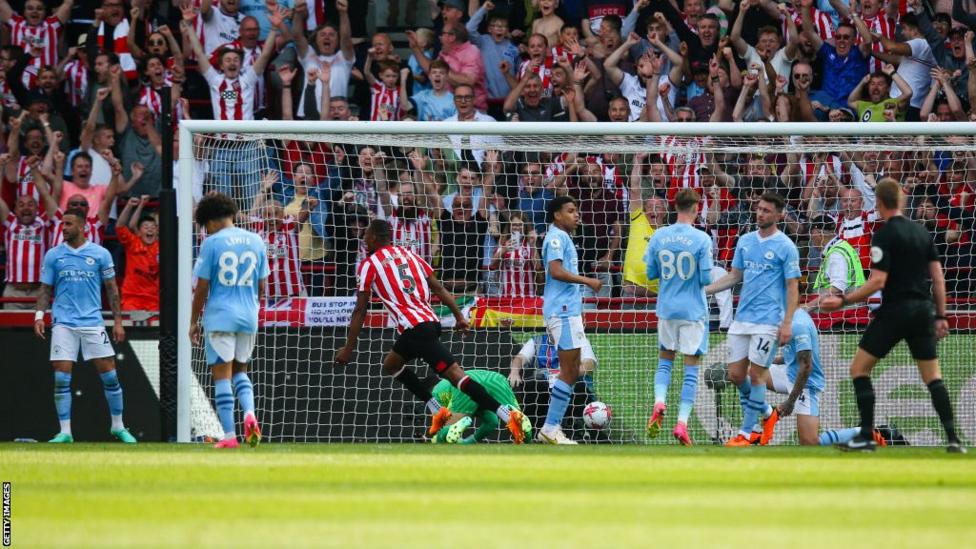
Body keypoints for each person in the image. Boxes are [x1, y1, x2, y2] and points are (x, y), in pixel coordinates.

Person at [334, 219, 530, 443]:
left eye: (366, 234)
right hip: (429, 324)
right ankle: (440, 412)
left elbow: (360, 309)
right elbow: (438, 288)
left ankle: (508, 416)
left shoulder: (369, 264)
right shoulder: (410, 255)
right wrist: (458, 317)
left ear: (375, 237)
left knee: (457, 376)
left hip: (415, 328)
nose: (363, 238)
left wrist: (348, 348)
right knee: (392, 365)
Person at [820, 178, 965, 453]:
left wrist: (843, 300)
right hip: (923, 311)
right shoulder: (922, 233)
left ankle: (865, 436)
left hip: (896, 311)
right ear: (900, 201)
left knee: (859, 369)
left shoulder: (883, 236)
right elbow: (938, 277)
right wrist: (941, 316)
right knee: (933, 377)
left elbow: (877, 282)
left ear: (879, 203)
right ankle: (953, 440)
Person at [706, 191, 800, 447]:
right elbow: (734, 276)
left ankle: (747, 433)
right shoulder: (745, 241)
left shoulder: (786, 247)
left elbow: (793, 287)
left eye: (766, 210)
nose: (760, 213)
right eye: (759, 209)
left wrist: (788, 322)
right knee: (737, 375)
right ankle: (769, 414)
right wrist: (704, 290)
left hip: (768, 322)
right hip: (742, 319)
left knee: (757, 376)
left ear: (779, 215)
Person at [34, 208, 135, 444]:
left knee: (110, 376)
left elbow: (111, 288)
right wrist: (39, 315)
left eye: (68, 224)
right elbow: (45, 289)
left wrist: (118, 321)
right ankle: (65, 432)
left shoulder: (100, 254)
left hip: (92, 322)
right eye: (62, 223)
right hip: (63, 323)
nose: (64, 228)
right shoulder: (53, 255)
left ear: (82, 227)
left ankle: (118, 427)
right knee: (61, 377)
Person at [189, 193, 268, 449]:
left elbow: (202, 287)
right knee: (241, 371)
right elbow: (262, 284)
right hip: (248, 315)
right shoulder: (256, 240)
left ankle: (230, 437)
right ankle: (250, 414)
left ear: (209, 221)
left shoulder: (211, 243)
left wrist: (193, 321)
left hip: (221, 315)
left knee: (221, 375)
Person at [643, 189, 713, 446]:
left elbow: (650, 273)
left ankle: (659, 402)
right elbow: (706, 278)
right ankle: (682, 424)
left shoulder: (659, 236)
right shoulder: (702, 239)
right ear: (695, 208)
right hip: (693, 311)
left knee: (665, 362)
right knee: (691, 371)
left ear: (675, 207)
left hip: (667, 309)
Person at [766, 308, 886, 447]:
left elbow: (806, 367)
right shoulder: (787, 315)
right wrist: (771, 361)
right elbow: (793, 356)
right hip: (787, 374)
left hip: (805, 384)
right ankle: (765, 417)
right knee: (743, 372)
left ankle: (864, 433)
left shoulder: (799, 324)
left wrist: (790, 402)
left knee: (809, 442)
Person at [537, 196, 603, 444]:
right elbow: (555, 271)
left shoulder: (564, 238)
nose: (577, 215)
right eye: (571, 210)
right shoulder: (555, 237)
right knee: (568, 369)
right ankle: (550, 428)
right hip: (561, 312)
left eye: (577, 210)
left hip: (569, 311)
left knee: (573, 369)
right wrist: (588, 281)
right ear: (557, 214)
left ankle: (551, 428)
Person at [429, 370, 525, 444]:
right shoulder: (446, 381)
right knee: (494, 421)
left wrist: (436, 435)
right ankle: (526, 442)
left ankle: (448, 433)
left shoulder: (435, 391)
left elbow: (440, 417)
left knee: (444, 433)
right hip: (497, 379)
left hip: (469, 386)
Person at [115, 196, 160, 312]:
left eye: (153, 227)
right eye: (146, 227)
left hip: (155, 300)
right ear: (139, 232)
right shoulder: (133, 243)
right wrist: (129, 206)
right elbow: (120, 226)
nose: (150, 230)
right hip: (132, 298)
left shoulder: (163, 248)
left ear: (157, 231)